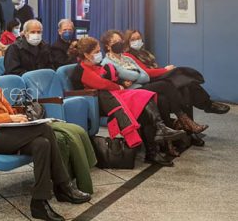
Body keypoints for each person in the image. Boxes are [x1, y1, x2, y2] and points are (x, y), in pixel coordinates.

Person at [0, 52, 90, 221]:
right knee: (45, 129)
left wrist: (18, 118)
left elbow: (8, 110)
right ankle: (63, 186)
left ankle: (39, 202)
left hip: (8, 132)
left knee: (42, 144)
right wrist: (9, 119)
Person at [69, 37, 185, 166]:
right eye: (96, 51)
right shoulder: (82, 70)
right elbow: (102, 83)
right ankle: (155, 147)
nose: (99, 54)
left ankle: (159, 132)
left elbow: (110, 78)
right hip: (100, 102)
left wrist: (120, 83)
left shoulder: (95, 65)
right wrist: (118, 86)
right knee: (142, 100)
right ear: (86, 55)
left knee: (145, 97)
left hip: (113, 96)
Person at [101, 30, 208, 137]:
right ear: (107, 45)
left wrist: (134, 75)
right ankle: (184, 120)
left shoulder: (127, 58)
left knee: (163, 99)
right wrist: (135, 75)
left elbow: (145, 76)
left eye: (120, 40)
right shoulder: (107, 62)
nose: (118, 43)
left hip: (142, 87)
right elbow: (134, 75)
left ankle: (169, 138)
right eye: (114, 41)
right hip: (131, 93)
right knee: (165, 84)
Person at [123, 29, 229, 116]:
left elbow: (153, 70)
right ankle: (208, 105)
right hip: (146, 82)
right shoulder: (128, 56)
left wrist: (164, 70)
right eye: (133, 39)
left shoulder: (145, 53)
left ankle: (190, 129)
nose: (137, 41)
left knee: (186, 87)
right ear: (128, 42)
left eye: (138, 38)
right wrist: (165, 70)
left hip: (155, 79)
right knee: (179, 73)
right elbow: (146, 73)